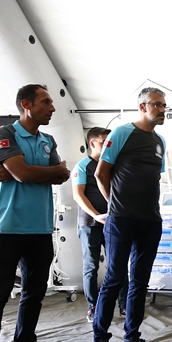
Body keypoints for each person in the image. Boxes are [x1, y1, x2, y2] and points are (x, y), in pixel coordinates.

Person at [0, 84, 70, 342]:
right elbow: (29, 173)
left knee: (34, 293)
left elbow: (63, 175)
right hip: (7, 229)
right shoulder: (3, 135)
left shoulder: (47, 140)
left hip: (40, 229)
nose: (52, 108)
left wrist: (25, 171)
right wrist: (37, 172)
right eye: (46, 102)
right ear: (26, 105)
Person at [89, 87, 168, 342]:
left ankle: (131, 339)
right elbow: (101, 174)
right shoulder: (122, 133)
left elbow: (153, 179)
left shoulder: (159, 141)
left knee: (140, 282)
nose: (162, 109)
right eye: (157, 105)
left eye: (164, 105)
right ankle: (99, 341)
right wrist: (114, 205)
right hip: (121, 219)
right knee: (114, 278)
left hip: (150, 221)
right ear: (142, 107)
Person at [71, 127, 109, 323]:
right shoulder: (83, 165)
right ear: (93, 143)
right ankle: (93, 307)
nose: (108, 146)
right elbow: (78, 195)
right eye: (104, 142)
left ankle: (123, 305)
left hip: (112, 223)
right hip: (89, 224)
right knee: (91, 265)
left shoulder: (112, 164)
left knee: (117, 265)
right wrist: (96, 216)